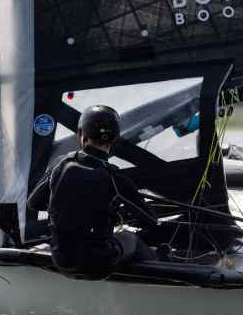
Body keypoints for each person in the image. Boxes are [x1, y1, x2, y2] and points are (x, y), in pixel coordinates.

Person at [27, 105, 159, 277]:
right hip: (98, 265)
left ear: (81, 135)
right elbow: (150, 221)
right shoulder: (115, 177)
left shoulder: (60, 165)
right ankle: (163, 268)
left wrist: (69, 206)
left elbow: (33, 203)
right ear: (114, 138)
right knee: (131, 239)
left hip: (62, 260)